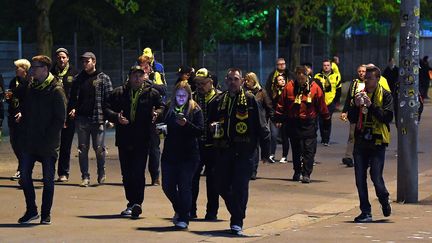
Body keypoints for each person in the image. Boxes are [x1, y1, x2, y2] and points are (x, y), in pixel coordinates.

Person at [209, 68, 270, 235]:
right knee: (221, 185)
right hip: (224, 151)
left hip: (245, 152)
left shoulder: (250, 100)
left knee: (240, 187)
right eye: (229, 79)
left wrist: (265, 152)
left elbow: (262, 127)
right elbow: (210, 122)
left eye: (235, 79)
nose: (232, 82)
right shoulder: (219, 100)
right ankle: (238, 212)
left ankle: (237, 221)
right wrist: (212, 127)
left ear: (242, 81)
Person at [105, 66, 164, 219]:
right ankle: (131, 202)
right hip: (124, 139)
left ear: (145, 77)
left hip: (142, 139)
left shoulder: (152, 93)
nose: (137, 78)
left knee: (138, 172)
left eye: (140, 75)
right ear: (129, 77)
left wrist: (156, 114)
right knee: (127, 174)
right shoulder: (119, 93)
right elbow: (106, 109)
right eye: (134, 75)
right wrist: (116, 117)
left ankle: (136, 203)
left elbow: (162, 108)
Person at [17, 55, 67, 224]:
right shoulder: (32, 86)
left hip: (48, 143)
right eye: (32, 67)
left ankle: (46, 214)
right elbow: (26, 107)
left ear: (45, 69)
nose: (32, 70)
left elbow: (60, 118)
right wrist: (22, 115)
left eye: (35, 67)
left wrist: (48, 137)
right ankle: (31, 210)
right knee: (24, 176)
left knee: (47, 179)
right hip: (30, 141)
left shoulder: (56, 89)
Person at [347, 65, 392, 223]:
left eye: (370, 78)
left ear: (377, 79)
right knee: (360, 178)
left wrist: (371, 106)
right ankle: (365, 211)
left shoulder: (385, 95)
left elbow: (387, 118)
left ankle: (384, 199)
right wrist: (357, 105)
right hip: (361, 140)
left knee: (375, 175)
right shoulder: (360, 94)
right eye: (365, 78)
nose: (366, 81)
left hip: (377, 141)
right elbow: (352, 118)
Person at [275, 66, 330, 183]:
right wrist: (278, 118)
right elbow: (281, 104)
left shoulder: (315, 88)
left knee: (309, 150)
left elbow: (321, 105)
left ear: (307, 76)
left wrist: (326, 119)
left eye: (302, 78)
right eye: (298, 78)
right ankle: (297, 171)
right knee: (296, 150)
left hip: (309, 123)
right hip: (294, 122)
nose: (300, 81)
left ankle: (306, 173)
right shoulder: (289, 87)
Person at [161, 81, 204, 229]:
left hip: (189, 155)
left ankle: (184, 217)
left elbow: (200, 131)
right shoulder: (169, 107)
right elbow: (162, 123)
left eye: (183, 95)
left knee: (185, 186)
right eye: (178, 95)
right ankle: (180, 208)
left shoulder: (195, 109)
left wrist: (186, 124)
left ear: (188, 96)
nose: (180, 98)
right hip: (170, 154)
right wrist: (160, 128)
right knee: (167, 186)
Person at [69, 52, 113, 187]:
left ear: (94, 62)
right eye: (83, 62)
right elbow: (73, 98)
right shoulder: (78, 79)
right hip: (82, 118)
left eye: (87, 61)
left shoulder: (103, 78)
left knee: (99, 148)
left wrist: (110, 117)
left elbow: (110, 99)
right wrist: (73, 108)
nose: (84, 64)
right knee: (82, 149)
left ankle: (101, 171)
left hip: (98, 118)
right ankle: (85, 176)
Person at [190, 68, 222, 220]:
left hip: (213, 145)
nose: (200, 86)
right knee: (192, 178)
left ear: (211, 82)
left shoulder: (220, 97)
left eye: (203, 83)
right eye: (197, 83)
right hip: (195, 144)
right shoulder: (192, 97)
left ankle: (212, 212)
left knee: (213, 180)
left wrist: (218, 125)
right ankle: (191, 210)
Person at [137, 55, 167, 186]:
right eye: (141, 67)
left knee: (154, 149)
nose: (143, 70)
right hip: (138, 120)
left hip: (154, 120)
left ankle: (155, 177)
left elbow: (163, 90)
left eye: (146, 67)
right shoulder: (133, 77)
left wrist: (149, 82)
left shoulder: (156, 76)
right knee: (139, 149)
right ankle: (138, 176)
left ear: (149, 68)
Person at [51, 48, 78, 182]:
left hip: (69, 114)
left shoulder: (74, 73)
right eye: (59, 57)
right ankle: (49, 171)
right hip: (54, 114)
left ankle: (63, 173)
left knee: (66, 145)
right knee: (53, 144)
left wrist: (75, 108)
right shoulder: (51, 72)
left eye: (63, 57)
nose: (61, 60)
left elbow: (77, 93)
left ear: (68, 58)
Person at [244, 72, 272, 179]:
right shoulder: (242, 92)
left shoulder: (261, 92)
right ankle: (250, 170)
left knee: (259, 143)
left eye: (249, 80)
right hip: (246, 123)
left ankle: (255, 168)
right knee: (251, 147)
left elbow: (269, 106)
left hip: (259, 123)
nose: (247, 83)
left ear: (254, 81)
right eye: (245, 80)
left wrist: (271, 118)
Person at [6, 59, 31, 180]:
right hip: (13, 115)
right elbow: (9, 97)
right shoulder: (13, 82)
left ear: (25, 70)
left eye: (18, 68)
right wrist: (8, 97)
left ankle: (22, 169)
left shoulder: (29, 82)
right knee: (14, 142)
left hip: (23, 117)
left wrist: (22, 112)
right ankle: (22, 166)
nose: (16, 70)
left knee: (22, 144)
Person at [314, 59, 341, 146]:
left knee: (327, 120)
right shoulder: (317, 76)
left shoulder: (336, 76)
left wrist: (336, 101)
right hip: (320, 102)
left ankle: (326, 139)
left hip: (330, 102)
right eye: (324, 65)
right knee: (321, 121)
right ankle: (322, 137)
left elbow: (339, 89)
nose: (326, 67)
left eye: (328, 65)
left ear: (330, 66)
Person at [268, 74, 289, 163]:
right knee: (274, 136)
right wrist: (275, 118)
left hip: (285, 118)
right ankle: (271, 154)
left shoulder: (289, 91)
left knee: (285, 137)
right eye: (280, 79)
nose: (282, 81)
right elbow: (271, 106)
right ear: (276, 82)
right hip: (275, 118)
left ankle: (284, 156)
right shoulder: (273, 92)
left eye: (283, 79)